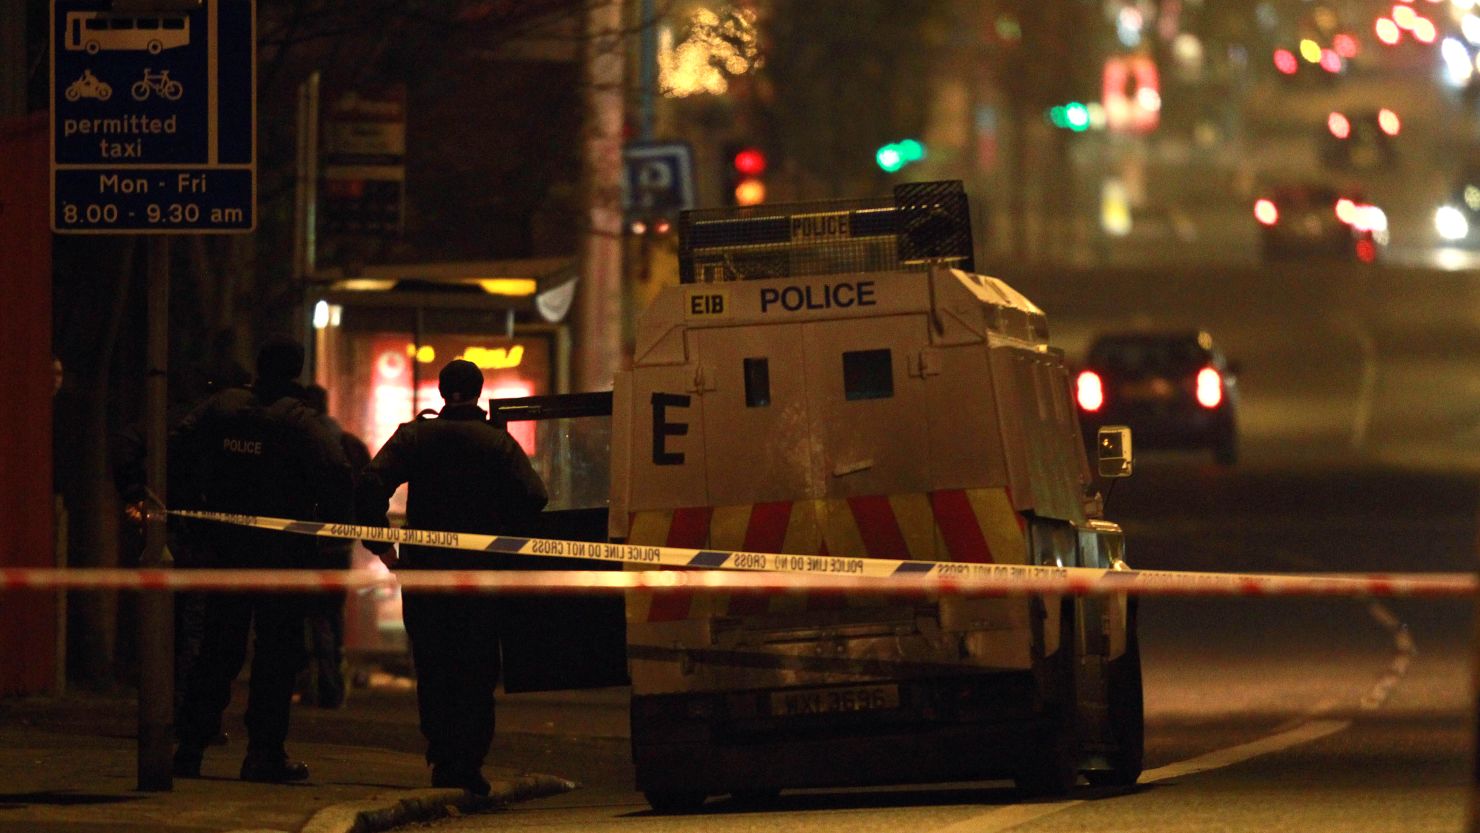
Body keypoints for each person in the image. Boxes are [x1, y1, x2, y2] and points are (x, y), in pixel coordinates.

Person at [356, 359, 547, 795]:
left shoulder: (414, 436)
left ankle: (442, 758)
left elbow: (369, 484)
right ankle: (470, 762)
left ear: (442, 392)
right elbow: (535, 495)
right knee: (477, 669)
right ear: (478, 392)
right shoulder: (496, 443)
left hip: (426, 575)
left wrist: (382, 545)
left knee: (434, 665)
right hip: (480, 578)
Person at [170, 337, 353, 782]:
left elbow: (177, 448)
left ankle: (190, 748)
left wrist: (189, 511)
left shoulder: (223, 408)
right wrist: (331, 534)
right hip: (282, 557)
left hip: (225, 549)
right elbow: (337, 479)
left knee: (217, 647)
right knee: (277, 657)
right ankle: (263, 754)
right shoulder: (301, 423)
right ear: (297, 371)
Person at [298, 384, 370, 709]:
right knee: (331, 613)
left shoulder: (298, 440)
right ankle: (331, 683)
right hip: (339, 544)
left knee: (302, 613)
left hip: (300, 543)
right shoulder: (349, 444)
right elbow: (369, 489)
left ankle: (311, 682)